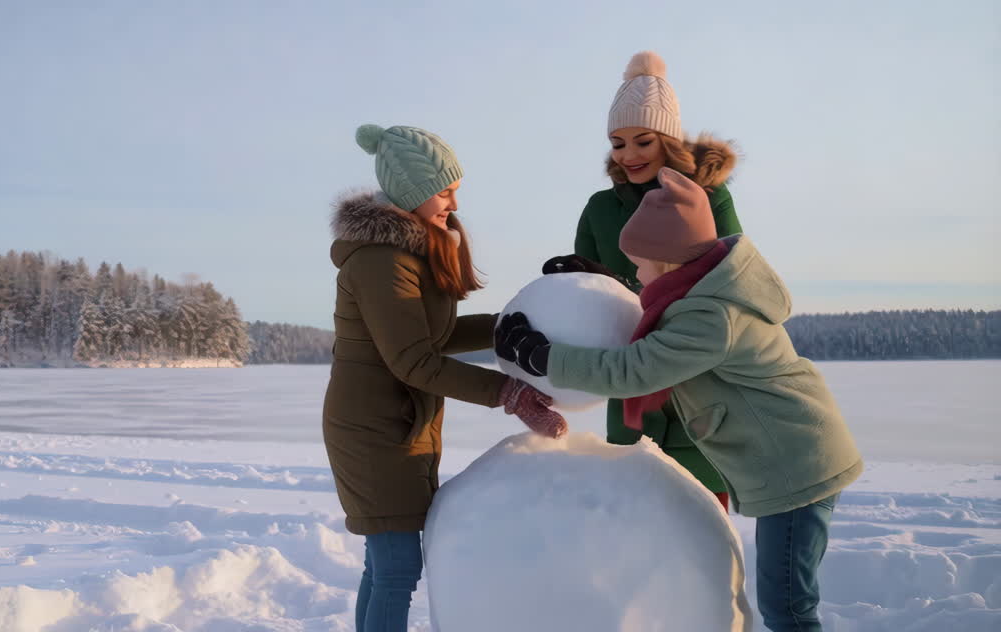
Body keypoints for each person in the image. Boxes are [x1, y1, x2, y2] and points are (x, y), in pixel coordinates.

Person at [497, 168, 862, 632]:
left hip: (796, 466)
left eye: (639, 264)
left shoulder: (710, 317)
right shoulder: (703, 296)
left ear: (668, 262)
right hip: (792, 457)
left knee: (787, 604)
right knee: (785, 596)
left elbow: (634, 369)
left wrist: (541, 355)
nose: (636, 273)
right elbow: (654, 324)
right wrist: (602, 283)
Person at [325, 123, 567, 632]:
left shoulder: (407, 251)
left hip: (399, 423)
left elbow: (435, 333)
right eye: (444, 190)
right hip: (373, 430)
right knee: (396, 568)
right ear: (411, 190)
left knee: (384, 564)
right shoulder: (381, 262)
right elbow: (413, 358)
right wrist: (508, 392)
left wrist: (509, 326)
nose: (454, 204)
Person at [563, 50, 743, 508]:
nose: (628, 155)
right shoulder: (600, 209)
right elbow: (588, 300)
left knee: (707, 543)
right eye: (617, 144)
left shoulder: (708, 200)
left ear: (668, 138)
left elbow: (728, 284)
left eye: (642, 140)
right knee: (638, 541)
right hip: (631, 401)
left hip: (699, 399)